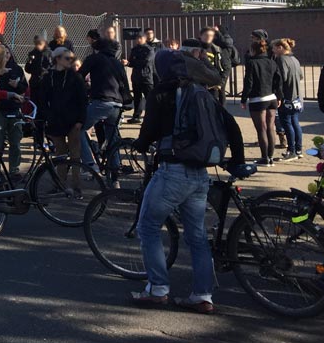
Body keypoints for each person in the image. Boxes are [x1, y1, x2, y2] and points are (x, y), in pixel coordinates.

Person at [130, 48, 248, 313]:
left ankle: (157, 288)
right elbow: (232, 125)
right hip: (200, 174)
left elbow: (148, 132)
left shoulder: (161, 93)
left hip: (172, 171)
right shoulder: (201, 93)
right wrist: (237, 161)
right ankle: (203, 295)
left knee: (148, 226)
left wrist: (139, 144)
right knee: (197, 236)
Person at [36, 47, 88, 195]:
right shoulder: (48, 78)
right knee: (60, 155)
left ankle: (76, 185)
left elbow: (83, 100)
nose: (70, 61)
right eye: (67, 58)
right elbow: (42, 100)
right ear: (57, 59)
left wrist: (80, 121)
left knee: (75, 154)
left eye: (71, 58)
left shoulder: (76, 77)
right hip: (55, 121)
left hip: (73, 121)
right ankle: (60, 184)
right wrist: (47, 116)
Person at [77, 38, 131, 183]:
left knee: (79, 129)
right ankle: (114, 176)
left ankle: (90, 164)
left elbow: (79, 76)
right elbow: (124, 82)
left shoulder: (94, 59)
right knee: (112, 137)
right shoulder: (117, 62)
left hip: (102, 100)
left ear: (97, 48)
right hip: (117, 103)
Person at [240, 38, 282, 166]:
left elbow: (249, 82)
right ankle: (270, 157)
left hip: (258, 99)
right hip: (272, 98)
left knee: (261, 129)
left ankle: (264, 158)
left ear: (253, 50)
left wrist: (244, 99)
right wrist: (279, 96)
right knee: (270, 128)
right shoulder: (271, 62)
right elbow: (278, 80)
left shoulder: (252, 63)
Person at [0, 45, 29, 175]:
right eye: (3, 53)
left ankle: (14, 168)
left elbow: (24, 88)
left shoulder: (17, 69)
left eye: (8, 52)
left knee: (15, 142)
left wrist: (17, 85)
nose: (6, 55)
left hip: (14, 109)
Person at [272, 38, 303, 161]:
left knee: (287, 123)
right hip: (296, 96)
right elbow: (300, 76)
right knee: (295, 122)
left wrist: (278, 94)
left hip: (286, 96)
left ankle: (291, 150)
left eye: (274, 47)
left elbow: (281, 78)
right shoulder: (294, 59)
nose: (273, 50)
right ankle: (298, 149)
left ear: (280, 48)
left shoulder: (281, 59)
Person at [127, 34, 156, 124]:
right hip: (136, 77)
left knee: (149, 98)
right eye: (137, 38)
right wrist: (128, 63)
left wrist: (135, 62)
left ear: (145, 39)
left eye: (140, 38)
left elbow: (146, 61)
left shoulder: (149, 49)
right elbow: (131, 62)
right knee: (137, 98)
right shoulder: (134, 49)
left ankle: (153, 116)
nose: (138, 40)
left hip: (146, 77)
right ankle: (136, 116)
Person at [198, 27, 226, 103]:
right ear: (200, 36)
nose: (208, 37)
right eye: (206, 35)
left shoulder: (216, 49)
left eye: (211, 35)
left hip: (214, 83)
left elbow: (224, 66)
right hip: (201, 82)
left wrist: (221, 82)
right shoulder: (197, 48)